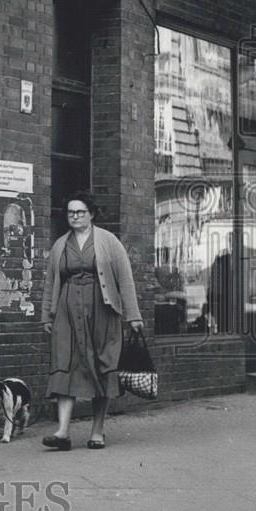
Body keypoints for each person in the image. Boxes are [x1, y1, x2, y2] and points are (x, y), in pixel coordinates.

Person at [42, 191, 144, 450]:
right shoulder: (60, 245)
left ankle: (97, 431)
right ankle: (63, 432)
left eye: (80, 212)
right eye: (70, 212)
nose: (75, 216)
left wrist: (133, 315)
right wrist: (47, 314)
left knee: (102, 364)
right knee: (64, 363)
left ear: (92, 214)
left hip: (102, 311)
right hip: (66, 311)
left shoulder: (109, 242)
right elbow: (50, 282)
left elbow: (125, 280)